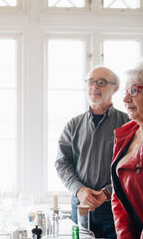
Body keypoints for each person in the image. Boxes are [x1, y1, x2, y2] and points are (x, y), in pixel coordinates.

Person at [55, 66, 129, 238]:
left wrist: (107, 193)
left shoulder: (127, 124)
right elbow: (62, 163)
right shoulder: (73, 125)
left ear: (115, 88)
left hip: (114, 206)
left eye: (101, 82)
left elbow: (130, 168)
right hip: (80, 204)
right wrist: (80, 190)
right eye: (90, 82)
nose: (94, 86)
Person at [111, 63, 143, 239]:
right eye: (125, 92)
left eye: (133, 91)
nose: (125, 99)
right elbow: (118, 198)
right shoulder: (125, 134)